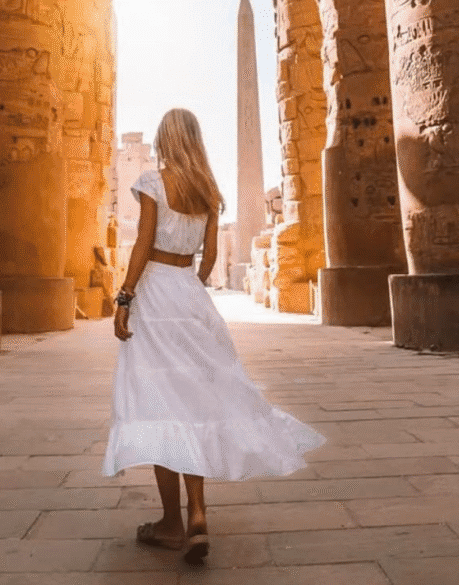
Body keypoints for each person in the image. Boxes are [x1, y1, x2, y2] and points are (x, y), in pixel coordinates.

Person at [101, 108, 327, 565]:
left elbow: (143, 243)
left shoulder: (152, 182)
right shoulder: (208, 192)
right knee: (195, 403)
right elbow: (206, 264)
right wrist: (188, 278)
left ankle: (170, 523)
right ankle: (198, 515)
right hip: (188, 296)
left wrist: (125, 296)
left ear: (164, 140)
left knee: (159, 405)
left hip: (156, 293)